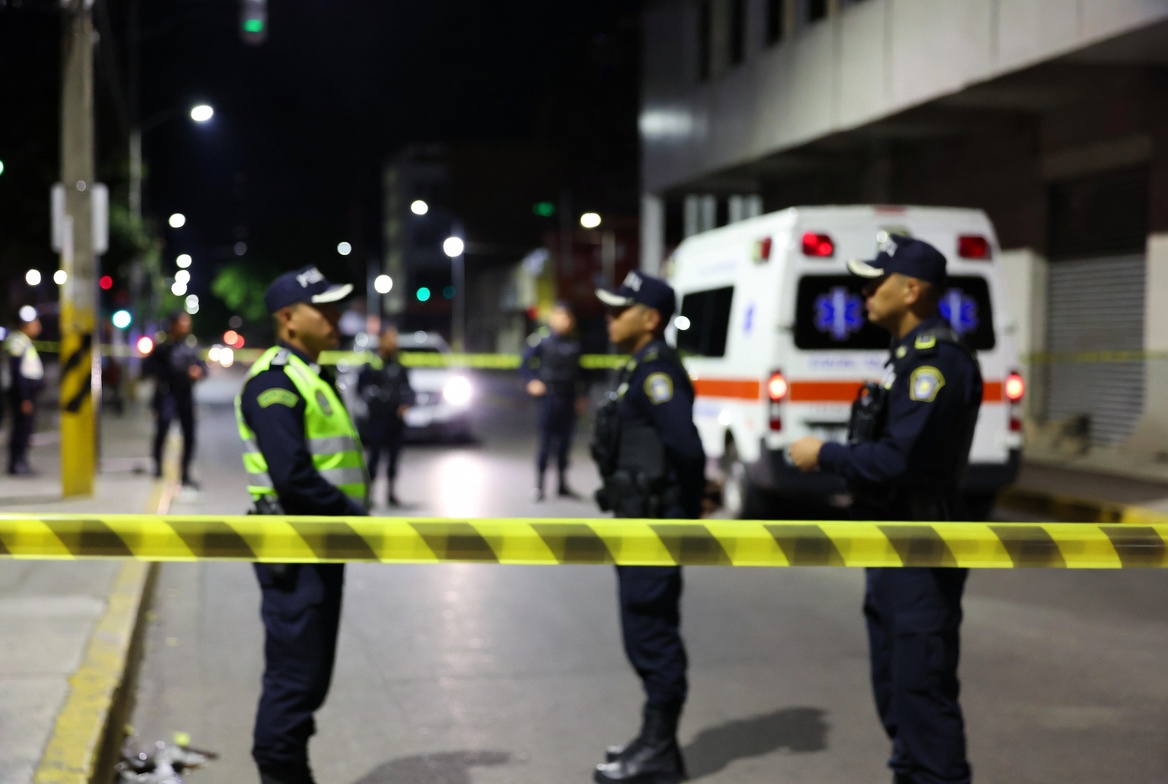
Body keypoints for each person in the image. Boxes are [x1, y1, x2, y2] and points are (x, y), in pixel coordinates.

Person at [788, 236, 983, 784]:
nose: (865, 292)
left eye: (876, 282)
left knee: (922, 696)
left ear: (913, 289)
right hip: (892, 542)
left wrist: (824, 453)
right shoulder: (904, 358)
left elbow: (902, 459)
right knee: (897, 693)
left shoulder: (935, 362)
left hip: (921, 545)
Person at [235, 265, 368, 784]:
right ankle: (281, 771)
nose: (335, 317)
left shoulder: (309, 374)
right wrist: (358, 521)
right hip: (297, 550)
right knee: (293, 684)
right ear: (288, 319)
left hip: (318, 546)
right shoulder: (274, 383)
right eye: (324, 308)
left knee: (308, 682)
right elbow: (293, 476)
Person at [590, 271, 706, 784]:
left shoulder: (657, 371)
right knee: (641, 629)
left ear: (651, 319)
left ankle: (660, 749)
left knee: (652, 632)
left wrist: (683, 507)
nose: (611, 318)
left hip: (655, 523)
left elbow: (685, 445)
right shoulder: (636, 367)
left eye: (621, 310)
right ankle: (653, 739)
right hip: (636, 520)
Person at [520, 301, 585, 500]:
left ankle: (562, 484)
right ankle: (539, 486)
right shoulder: (542, 340)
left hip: (568, 397)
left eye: (568, 317)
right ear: (552, 318)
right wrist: (532, 381)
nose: (564, 321)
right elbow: (524, 364)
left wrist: (581, 396)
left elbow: (582, 373)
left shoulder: (575, 343)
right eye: (560, 316)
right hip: (549, 396)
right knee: (546, 442)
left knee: (565, 443)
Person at [143, 311, 206, 488]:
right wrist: (176, 373)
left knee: (189, 435)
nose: (185, 326)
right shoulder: (163, 347)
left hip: (185, 395)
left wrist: (198, 372)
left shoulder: (191, 346)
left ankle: (185, 473)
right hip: (166, 394)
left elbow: (203, 368)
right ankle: (157, 467)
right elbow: (148, 368)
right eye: (182, 322)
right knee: (162, 430)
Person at [356, 324, 415, 507]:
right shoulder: (372, 363)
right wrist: (375, 401)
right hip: (377, 419)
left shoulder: (399, 363)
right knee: (373, 458)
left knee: (394, 458)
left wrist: (407, 403)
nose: (393, 342)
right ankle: (370, 494)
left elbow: (408, 388)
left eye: (395, 338)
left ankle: (391, 493)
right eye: (390, 338)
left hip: (395, 420)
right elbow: (361, 388)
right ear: (381, 340)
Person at [5, 307, 45, 475]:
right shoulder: (17, 341)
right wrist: (24, 398)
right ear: (25, 325)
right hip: (23, 393)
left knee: (25, 429)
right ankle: (16, 464)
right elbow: (17, 374)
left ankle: (21, 462)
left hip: (27, 393)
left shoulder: (24, 341)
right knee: (21, 429)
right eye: (35, 323)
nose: (38, 326)